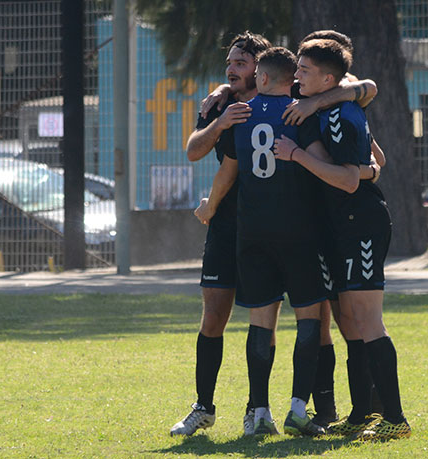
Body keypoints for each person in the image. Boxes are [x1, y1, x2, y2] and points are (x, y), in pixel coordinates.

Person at [273, 38, 412, 440]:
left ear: (328, 79)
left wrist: (297, 155)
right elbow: (375, 162)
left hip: (360, 224)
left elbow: (352, 180)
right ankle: (361, 414)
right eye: (296, 69)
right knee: (350, 322)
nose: (297, 77)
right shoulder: (324, 103)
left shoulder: (339, 113)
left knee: (368, 321)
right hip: (336, 228)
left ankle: (395, 420)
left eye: (304, 70)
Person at [195, 46, 331, 437]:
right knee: (309, 316)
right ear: (293, 81)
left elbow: (228, 172)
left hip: (251, 233)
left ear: (263, 78)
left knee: (260, 320)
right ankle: (298, 409)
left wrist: (210, 207)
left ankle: (259, 413)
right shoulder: (300, 114)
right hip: (297, 231)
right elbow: (320, 165)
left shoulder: (241, 117)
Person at [170, 31, 272, 437]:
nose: (231, 69)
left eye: (241, 63)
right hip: (225, 224)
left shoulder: (282, 96)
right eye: (229, 62)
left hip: (268, 223)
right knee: (213, 317)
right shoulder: (220, 103)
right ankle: (203, 407)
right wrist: (221, 120)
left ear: (260, 70)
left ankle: (257, 409)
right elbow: (194, 150)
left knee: (263, 318)